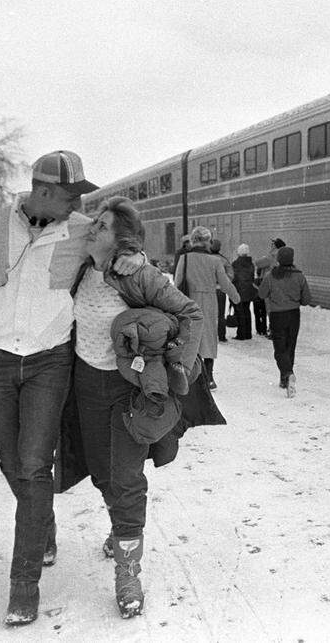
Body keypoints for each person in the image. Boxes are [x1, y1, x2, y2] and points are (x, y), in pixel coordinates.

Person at [0, 151, 144, 626]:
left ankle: (24, 585)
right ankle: (44, 525)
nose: (80, 205)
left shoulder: (81, 231)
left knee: (35, 466)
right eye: (71, 195)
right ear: (42, 191)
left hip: (49, 362)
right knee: (12, 464)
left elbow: (120, 255)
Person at [71, 196, 204, 618]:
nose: (93, 229)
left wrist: (176, 364)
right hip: (86, 384)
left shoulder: (136, 275)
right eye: (95, 222)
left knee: (126, 478)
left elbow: (192, 313)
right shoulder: (77, 268)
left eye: (104, 227)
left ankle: (128, 569)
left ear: (122, 241)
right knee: (100, 471)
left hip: (130, 390)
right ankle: (120, 525)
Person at [173, 227, 239, 390]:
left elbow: (177, 282)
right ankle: (209, 376)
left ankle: (191, 374)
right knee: (208, 338)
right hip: (209, 301)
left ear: (194, 241)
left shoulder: (185, 258)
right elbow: (225, 284)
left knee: (190, 336)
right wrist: (236, 297)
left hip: (189, 302)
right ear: (207, 242)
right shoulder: (215, 261)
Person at [257, 246, 312, 397]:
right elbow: (307, 299)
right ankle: (285, 378)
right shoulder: (299, 276)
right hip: (294, 315)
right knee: (290, 346)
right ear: (292, 259)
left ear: (279, 259)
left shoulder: (270, 275)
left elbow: (261, 294)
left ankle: (287, 374)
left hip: (277, 315)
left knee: (280, 348)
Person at [252, 237, 284, 338]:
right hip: (281, 284)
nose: (271, 244)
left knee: (270, 308)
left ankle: (274, 331)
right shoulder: (284, 255)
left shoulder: (273, 255)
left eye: (272, 243)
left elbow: (258, 263)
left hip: (270, 284)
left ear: (275, 245)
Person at [230, 244, 257, 341]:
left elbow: (233, 277)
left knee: (240, 312)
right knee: (247, 311)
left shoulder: (235, 264)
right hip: (249, 290)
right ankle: (248, 333)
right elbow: (252, 277)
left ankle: (241, 334)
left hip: (239, 290)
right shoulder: (251, 264)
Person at [209, 238, 233, 343]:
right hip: (220, 290)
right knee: (220, 314)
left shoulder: (205, 259)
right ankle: (222, 335)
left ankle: (209, 336)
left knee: (208, 314)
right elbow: (231, 275)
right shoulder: (223, 260)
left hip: (207, 291)